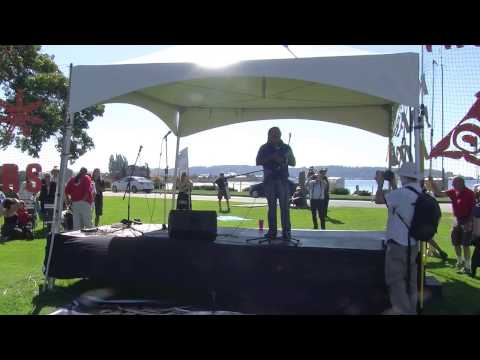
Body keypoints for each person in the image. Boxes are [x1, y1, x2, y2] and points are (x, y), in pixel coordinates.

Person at [375, 162, 422, 315]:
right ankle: (411, 310)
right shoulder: (420, 192)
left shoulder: (401, 194)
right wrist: (394, 184)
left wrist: (380, 184)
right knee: (411, 282)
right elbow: (397, 205)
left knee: (396, 282)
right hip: (414, 243)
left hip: (398, 243)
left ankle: (404, 312)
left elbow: (379, 200)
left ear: (404, 176)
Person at [429, 175, 475, 274]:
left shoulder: (470, 193)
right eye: (453, 183)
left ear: (461, 183)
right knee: (455, 242)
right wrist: (432, 183)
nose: (453, 185)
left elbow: (473, 210)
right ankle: (459, 261)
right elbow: (439, 193)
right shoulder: (453, 191)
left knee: (465, 245)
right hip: (456, 220)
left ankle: (467, 266)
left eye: (454, 183)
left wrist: (469, 222)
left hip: (467, 221)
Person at [256, 127, 296, 240]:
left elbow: (293, 162)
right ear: (268, 135)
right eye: (272, 135)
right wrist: (272, 157)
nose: (274, 137)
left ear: (280, 135)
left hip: (283, 180)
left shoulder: (286, 148)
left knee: (285, 207)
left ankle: (286, 231)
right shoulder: (264, 148)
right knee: (271, 207)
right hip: (269, 181)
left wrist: (285, 159)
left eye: (277, 135)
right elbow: (258, 161)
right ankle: (272, 231)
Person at [470, 184, 480, 278]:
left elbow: (476, 223)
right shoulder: (477, 207)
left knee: (476, 255)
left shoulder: (477, 208)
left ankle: (473, 272)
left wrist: (474, 236)